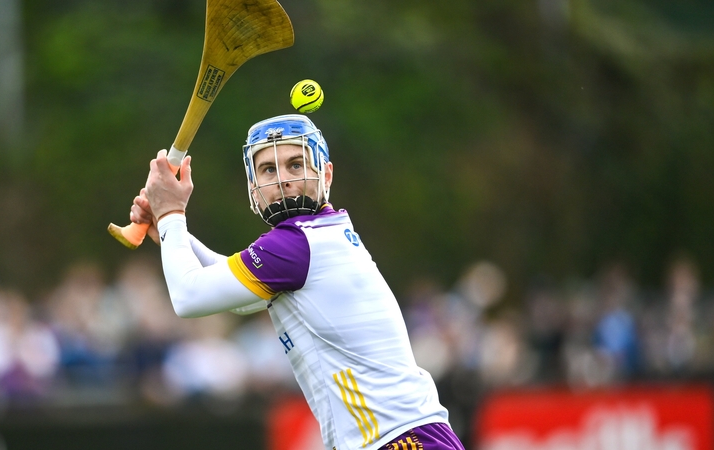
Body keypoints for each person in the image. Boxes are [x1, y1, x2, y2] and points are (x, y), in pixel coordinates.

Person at [130, 114, 465, 450]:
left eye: (295, 165)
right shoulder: (316, 239)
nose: (283, 180)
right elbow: (242, 295)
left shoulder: (296, 245)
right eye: (269, 170)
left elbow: (189, 296)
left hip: (404, 442)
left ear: (326, 174)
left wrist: (171, 213)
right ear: (253, 186)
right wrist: (168, 227)